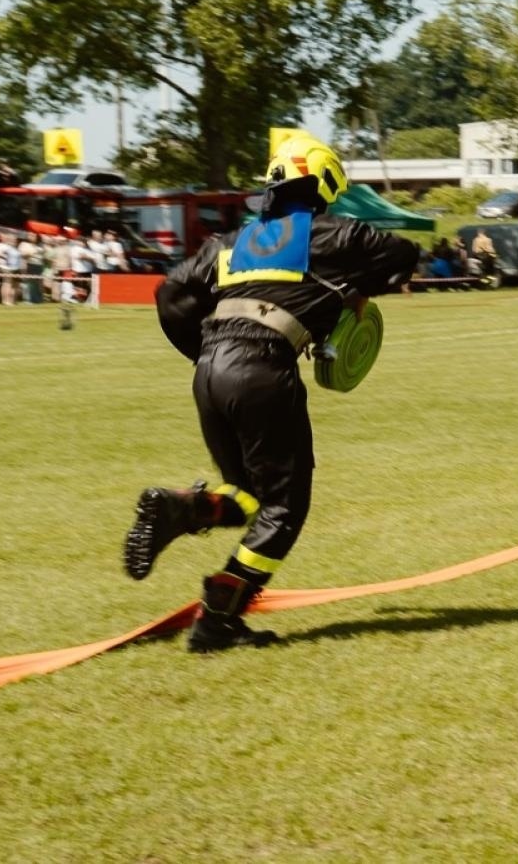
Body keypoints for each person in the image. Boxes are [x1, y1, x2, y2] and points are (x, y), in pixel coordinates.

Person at [124, 133, 420, 652]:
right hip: (262, 369)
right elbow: (403, 253)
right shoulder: (334, 234)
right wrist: (356, 290)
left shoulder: (229, 244)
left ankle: (185, 509)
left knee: (250, 496)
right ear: (324, 186)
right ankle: (219, 620)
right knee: (285, 508)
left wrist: (201, 351)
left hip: (210, 370)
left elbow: (169, 291)